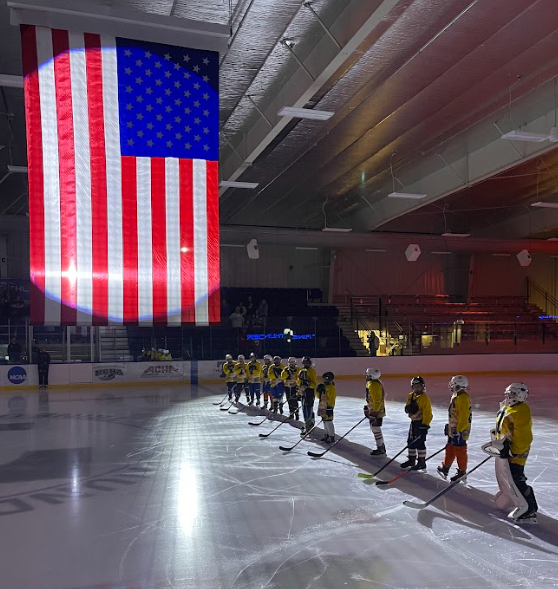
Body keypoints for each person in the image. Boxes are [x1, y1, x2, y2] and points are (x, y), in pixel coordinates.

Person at [482, 383, 538, 523]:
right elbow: (502, 428)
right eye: (507, 393)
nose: (508, 396)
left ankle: (529, 509)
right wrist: (497, 442)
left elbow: (524, 437)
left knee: (516, 477)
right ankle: (511, 497)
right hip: (505, 449)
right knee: (506, 476)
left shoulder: (521, 410)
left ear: (520, 396)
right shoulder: (507, 408)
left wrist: (513, 451)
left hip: (515, 451)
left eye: (512, 394)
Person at [437, 375, 472, 482]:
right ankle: (446, 467)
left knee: (460, 450)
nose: (451, 386)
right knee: (450, 447)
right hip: (454, 428)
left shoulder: (462, 398)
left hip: (460, 430)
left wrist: (459, 430)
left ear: (458, 385)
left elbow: (464, 417)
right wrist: (450, 426)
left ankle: (462, 471)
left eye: (453, 384)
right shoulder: (456, 396)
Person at [401, 376, 433, 470]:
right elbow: (407, 407)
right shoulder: (411, 396)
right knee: (410, 441)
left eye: (419, 386)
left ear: (423, 386)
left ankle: (421, 462)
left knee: (420, 442)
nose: (417, 388)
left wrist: (425, 425)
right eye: (415, 386)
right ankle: (411, 459)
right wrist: (407, 409)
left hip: (421, 423)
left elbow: (428, 413)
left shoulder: (424, 398)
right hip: (413, 422)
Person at [364, 368, 386, 456]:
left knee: (376, 429)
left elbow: (377, 400)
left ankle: (381, 447)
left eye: (367, 374)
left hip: (376, 412)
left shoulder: (374, 385)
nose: (365, 376)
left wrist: (375, 411)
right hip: (374, 410)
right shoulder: (371, 383)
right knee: (375, 428)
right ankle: (380, 446)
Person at [297, 356, 318, 435]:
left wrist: (308, 384)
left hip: (310, 391)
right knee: (304, 408)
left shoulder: (312, 371)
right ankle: (308, 422)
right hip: (304, 392)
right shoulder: (302, 370)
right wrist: (299, 391)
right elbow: (298, 381)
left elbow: (314, 383)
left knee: (308, 407)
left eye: (307, 362)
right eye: (304, 362)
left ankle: (309, 423)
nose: (305, 364)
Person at [317, 372, 336, 443]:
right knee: (324, 420)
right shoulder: (324, 386)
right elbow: (319, 396)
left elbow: (332, 398)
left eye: (326, 378)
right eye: (323, 378)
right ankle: (326, 434)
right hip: (322, 405)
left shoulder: (331, 387)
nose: (324, 380)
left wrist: (330, 407)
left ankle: (331, 436)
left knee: (328, 421)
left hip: (328, 406)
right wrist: (318, 391)